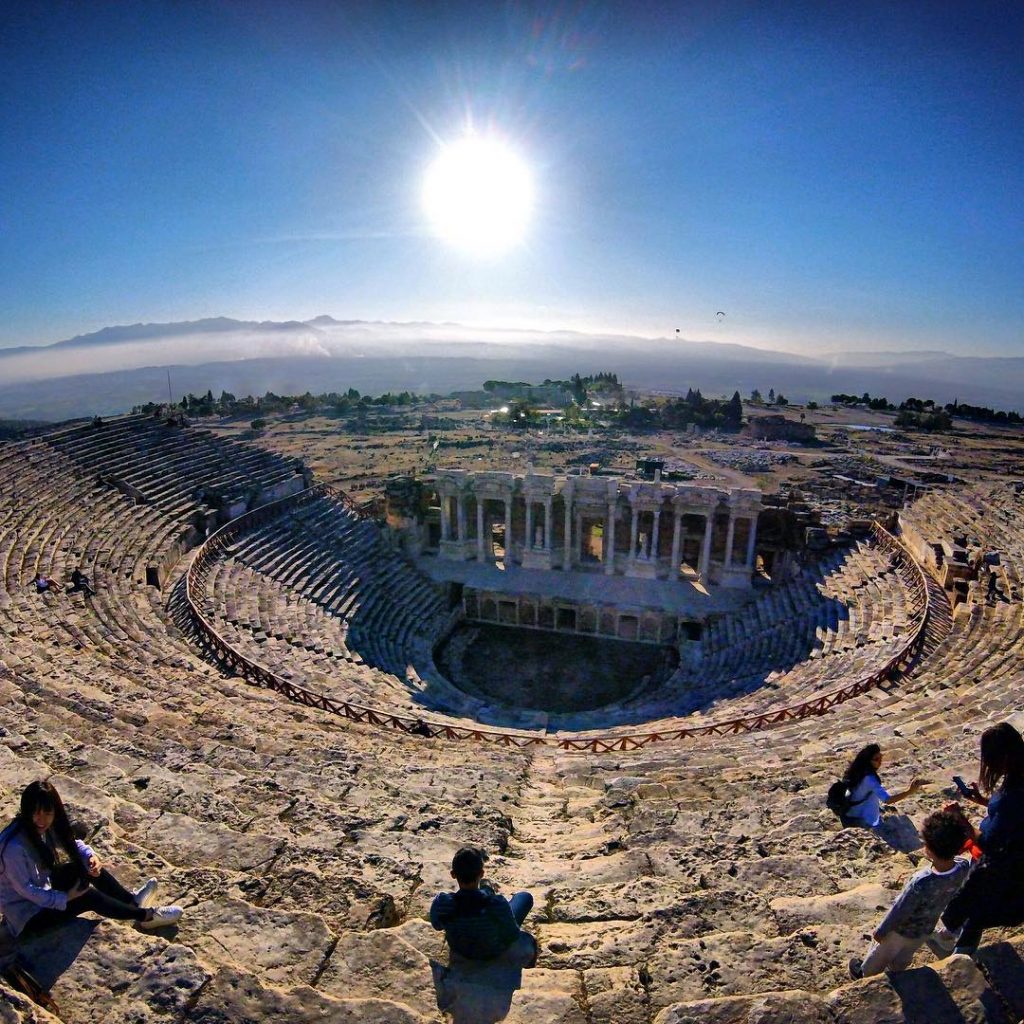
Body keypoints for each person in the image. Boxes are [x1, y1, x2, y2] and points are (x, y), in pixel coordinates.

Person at [0, 781, 182, 941]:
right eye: (36, 813)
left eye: (47, 813)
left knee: (82, 867)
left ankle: (131, 901)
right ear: (26, 811)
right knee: (88, 896)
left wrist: (90, 857)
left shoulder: (39, 828)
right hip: (27, 916)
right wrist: (66, 897)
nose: (41, 820)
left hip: (42, 890)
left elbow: (72, 843)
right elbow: (27, 891)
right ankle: (147, 916)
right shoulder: (14, 848)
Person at [933, 722, 1024, 956]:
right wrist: (984, 801)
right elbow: (1012, 815)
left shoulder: (1011, 795)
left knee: (976, 901)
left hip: (1005, 864)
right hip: (1013, 856)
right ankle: (961, 950)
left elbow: (988, 841)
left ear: (1002, 758)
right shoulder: (1018, 776)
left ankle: (953, 945)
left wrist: (959, 817)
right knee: (978, 907)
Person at [848, 809, 971, 979]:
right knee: (904, 956)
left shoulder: (921, 881)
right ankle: (898, 973)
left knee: (880, 955)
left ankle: (864, 974)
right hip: (925, 928)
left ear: (929, 850)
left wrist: (882, 931)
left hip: (900, 930)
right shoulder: (963, 867)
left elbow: (900, 909)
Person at [429, 847, 536, 964]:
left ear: (453, 874)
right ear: (481, 873)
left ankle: (486, 890)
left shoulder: (443, 902)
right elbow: (512, 934)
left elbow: (437, 925)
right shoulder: (497, 903)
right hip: (493, 952)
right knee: (524, 897)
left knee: (487, 890)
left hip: (461, 951)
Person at [840, 744, 927, 831]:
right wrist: (909, 791)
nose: (880, 761)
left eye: (881, 757)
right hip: (859, 817)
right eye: (876, 759)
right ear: (868, 761)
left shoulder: (857, 771)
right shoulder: (870, 779)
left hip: (850, 810)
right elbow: (888, 800)